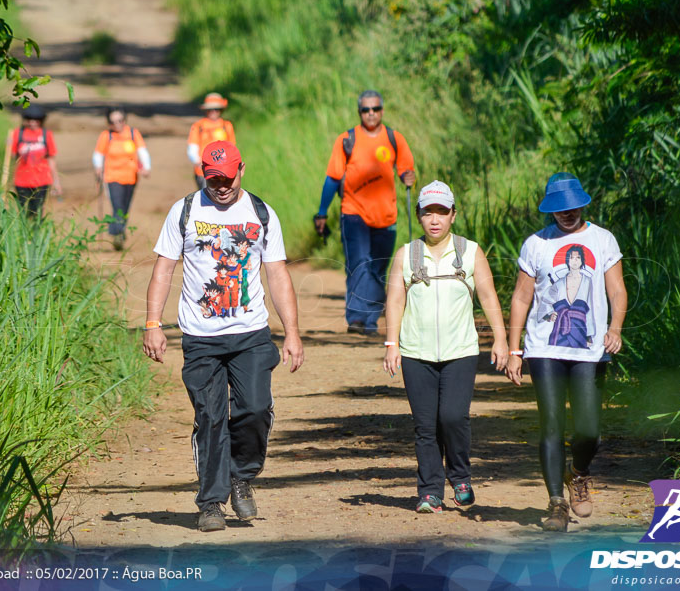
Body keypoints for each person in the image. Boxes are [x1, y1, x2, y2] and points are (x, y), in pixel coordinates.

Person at [143, 141, 304, 532]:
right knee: (211, 418)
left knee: (254, 409)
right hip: (200, 337)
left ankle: (241, 476)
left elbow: (278, 274)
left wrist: (293, 333)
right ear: (202, 173)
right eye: (213, 178)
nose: (221, 186)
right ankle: (211, 503)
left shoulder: (261, 213)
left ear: (241, 169)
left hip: (250, 333)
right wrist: (152, 323)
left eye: (228, 177)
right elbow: (164, 268)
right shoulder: (185, 211)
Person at [500, 173, 628, 532]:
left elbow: (617, 290)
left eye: (572, 208)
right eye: (559, 210)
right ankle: (556, 503)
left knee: (589, 429)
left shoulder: (602, 240)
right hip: (545, 346)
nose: (566, 215)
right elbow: (522, 297)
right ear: (550, 211)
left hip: (589, 347)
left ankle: (580, 473)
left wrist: (615, 328)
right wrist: (515, 349)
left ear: (583, 203)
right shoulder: (537, 244)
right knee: (552, 424)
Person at [383, 181, 509, 512]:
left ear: (453, 215)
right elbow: (395, 300)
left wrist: (501, 338)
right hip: (415, 352)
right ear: (419, 215)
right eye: (428, 212)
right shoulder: (406, 254)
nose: (434, 219)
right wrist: (391, 343)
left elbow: (488, 297)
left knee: (453, 417)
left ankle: (460, 476)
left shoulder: (470, 251)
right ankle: (429, 491)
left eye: (442, 212)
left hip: (460, 351)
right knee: (425, 426)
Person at [313, 90, 416, 335]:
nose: (371, 113)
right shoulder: (347, 140)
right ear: (359, 112)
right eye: (366, 109)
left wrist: (407, 177)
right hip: (353, 212)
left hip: (385, 215)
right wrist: (322, 212)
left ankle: (371, 318)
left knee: (378, 267)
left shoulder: (394, 138)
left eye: (375, 109)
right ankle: (359, 319)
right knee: (359, 264)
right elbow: (332, 178)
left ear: (382, 110)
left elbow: (405, 169)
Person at [93, 107, 151, 250]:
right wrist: (98, 168)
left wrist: (146, 167)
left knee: (125, 207)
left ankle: (120, 229)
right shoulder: (106, 136)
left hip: (131, 177)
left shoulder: (133, 133)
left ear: (124, 120)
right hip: (112, 177)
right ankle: (117, 233)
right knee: (117, 205)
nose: (117, 124)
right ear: (109, 123)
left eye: (120, 121)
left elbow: (142, 151)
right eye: (113, 122)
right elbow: (98, 154)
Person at [3, 104, 62, 218]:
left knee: (37, 210)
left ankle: (36, 233)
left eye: (36, 120)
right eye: (30, 119)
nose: (33, 122)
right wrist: (9, 145)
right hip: (22, 181)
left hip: (42, 181)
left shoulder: (46, 135)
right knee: (23, 211)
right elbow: (12, 156)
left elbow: (51, 159)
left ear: (41, 120)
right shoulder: (17, 134)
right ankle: (24, 233)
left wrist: (57, 182)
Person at [187, 92, 236, 189]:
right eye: (210, 109)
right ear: (206, 110)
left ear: (221, 110)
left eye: (216, 109)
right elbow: (192, 147)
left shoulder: (227, 126)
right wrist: (199, 162)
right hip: (203, 172)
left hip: (224, 171)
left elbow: (232, 149)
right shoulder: (198, 126)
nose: (213, 111)